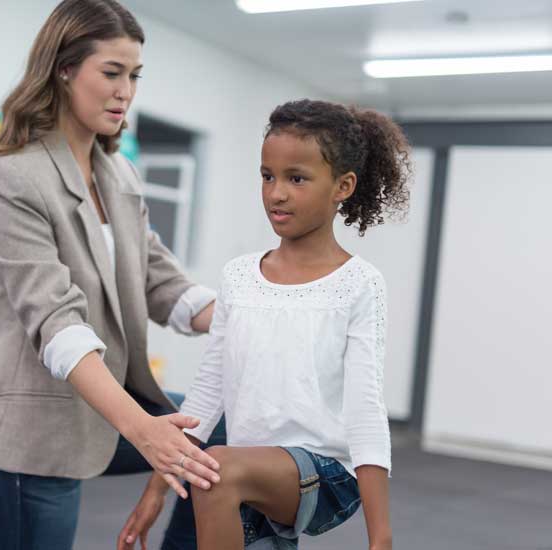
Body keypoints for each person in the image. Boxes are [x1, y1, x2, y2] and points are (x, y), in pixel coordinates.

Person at [0, 1, 226, 548]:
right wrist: (143, 428)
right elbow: (57, 322)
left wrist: (252, 318)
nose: (126, 91)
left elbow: (161, 282)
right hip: (33, 432)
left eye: (134, 76)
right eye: (111, 73)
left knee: (222, 433)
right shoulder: (13, 178)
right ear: (63, 69)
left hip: (103, 404)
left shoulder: (118, 174)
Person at [119, 98, 411, 550]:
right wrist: (156, 489)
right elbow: (209, 388)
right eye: (267, 175)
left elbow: (365, 408)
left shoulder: (359, 284)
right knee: (220, 469)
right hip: (250, 473)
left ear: (343, 186)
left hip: (328, 474)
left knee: (216, 469)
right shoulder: (238, 276)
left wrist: (381, 535)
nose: (276, 193)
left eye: (297, 178)